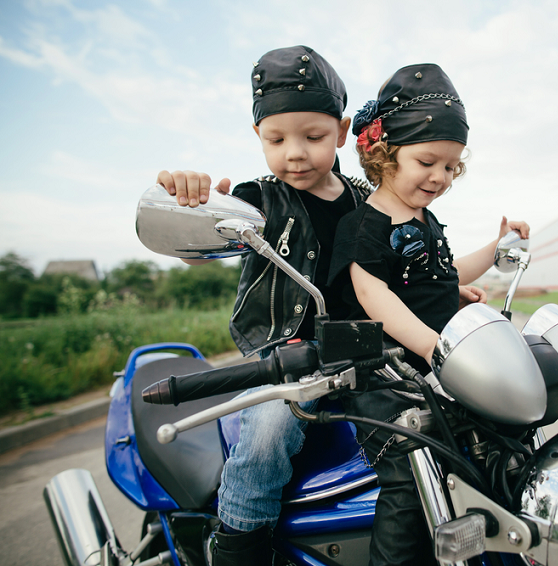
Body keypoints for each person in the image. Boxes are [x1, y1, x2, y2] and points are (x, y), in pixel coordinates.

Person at [155, 48, 489, 565]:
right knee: (266, 433)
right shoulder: (258, 199)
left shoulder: (366, 199)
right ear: (258, 136)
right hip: (288, 357)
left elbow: (389, 268)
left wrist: (444, 293)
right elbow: (203, 251)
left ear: (341, 130)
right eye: (277, 138)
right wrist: (191, 204)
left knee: (440, 423)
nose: (295, 153)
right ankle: (239, 543)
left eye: (312, 137)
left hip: (365, 352)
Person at [328, 63, 529, 566]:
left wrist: (496, 247)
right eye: (427, 161)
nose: (439, 177)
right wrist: (431, 346)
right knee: (405, 471)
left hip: (439, 368)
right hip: (385, 375)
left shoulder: (427, 220)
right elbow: (377, 297)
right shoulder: (363, 225)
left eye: (450, 166)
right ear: (382, 153)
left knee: (489, 450)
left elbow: (445, 271)